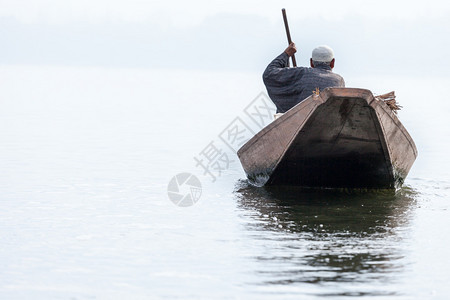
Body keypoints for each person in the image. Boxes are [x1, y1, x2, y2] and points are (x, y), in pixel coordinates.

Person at [263, 43, 345, 113]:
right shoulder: (339, 81)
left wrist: (286, 54)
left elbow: (269, 73)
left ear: (311, 62)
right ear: (333, 62)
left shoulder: (302, 73)